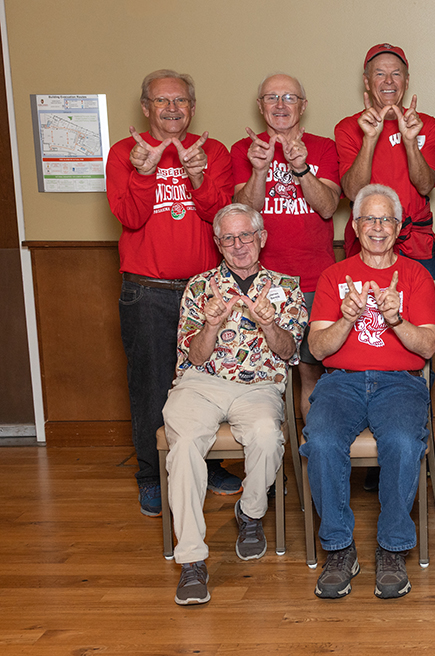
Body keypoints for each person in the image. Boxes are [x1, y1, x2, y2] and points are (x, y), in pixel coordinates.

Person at [105, 69, 237, 517]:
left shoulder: (212, 151)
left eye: (180, 101)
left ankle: (211, 462)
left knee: (209, 380)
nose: (172, 109)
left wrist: (198, 179)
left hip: (204, 290)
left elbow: (222, 217)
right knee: (150, 384)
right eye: (162, 101)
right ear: (146, 108)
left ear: (192, 107)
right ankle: (150, 474)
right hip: (147, 291)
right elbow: (128, 215)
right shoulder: (125, 152)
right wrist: (144, 173)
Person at [162, 203, 308, 605]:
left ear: (261, 238)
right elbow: (192, 357)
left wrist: (268, 323)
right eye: (229, 238)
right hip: (200, 384)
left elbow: (290, 350)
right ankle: (192, 561)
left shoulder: (286, 287)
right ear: (218, 244)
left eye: (246, 235)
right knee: (187, 445)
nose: (239, 245)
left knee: (265, 435)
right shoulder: (199, 287)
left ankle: (250, 513)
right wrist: (209, 326)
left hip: (258, 386)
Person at [300, 184, 435, 601]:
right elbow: (318, 349)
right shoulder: (333, 277)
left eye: (386, 220)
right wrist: (346, 319)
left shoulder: (417, 276)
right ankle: (340, 550)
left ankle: (393, 549)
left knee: (399, 441)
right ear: (355, 226)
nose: (377, 227)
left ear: (398, 227)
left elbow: (428, 347)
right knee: (321, 440)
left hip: (400, 382)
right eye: (369, 219)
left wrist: (396, 319)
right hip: (340, 381)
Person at [231, 73, 341, 420]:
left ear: (303, 106)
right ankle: (270, 465)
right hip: (259, 283)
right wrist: (259, 170)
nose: (281, 105)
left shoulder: (323, 147)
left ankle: (311, 469)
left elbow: (327, 207)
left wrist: (301, 169)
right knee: (257, 377)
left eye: (290, 98)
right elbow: (243, 212)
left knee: (312, 375)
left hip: (313, 281)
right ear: (260, 106)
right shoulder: (243, 150)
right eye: (272, 97)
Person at [336, 43, 435, 277]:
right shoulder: (347, 128)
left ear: (406, 79)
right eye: (380, 74)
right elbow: (352, 191)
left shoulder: (426, 125)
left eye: (396, 74)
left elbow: (425, 185)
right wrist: (370, 139)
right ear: (366, 81)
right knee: (362, 313)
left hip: (416, 245)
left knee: (418, 313)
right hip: (366, 242)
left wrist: (411, 141)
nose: (389, 81)